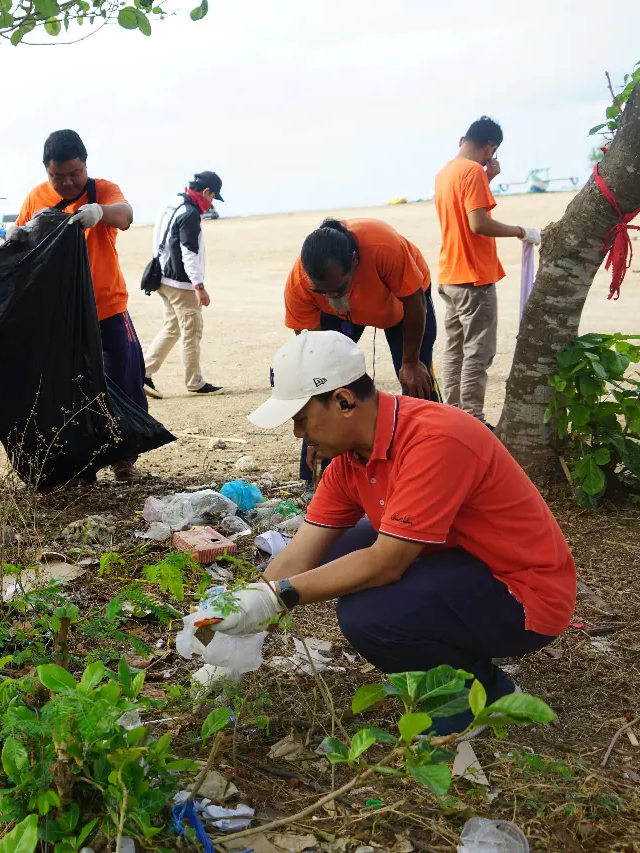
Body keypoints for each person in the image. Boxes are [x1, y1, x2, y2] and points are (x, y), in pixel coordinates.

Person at [199, 331, 575, 735]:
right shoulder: (349, 460)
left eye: (302, 418)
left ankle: (482, 698)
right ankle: (448, 652)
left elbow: (385, 564)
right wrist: (238, 630)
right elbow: (302, 553)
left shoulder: (436, 439)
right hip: (462, 564)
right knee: (337, 549)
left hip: (520, 596)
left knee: (371, 615)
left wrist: (276, 599)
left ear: (344, 401)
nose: (298, 434)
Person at [14, 129, 144, 482]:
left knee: (123, 380)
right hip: (63, 315)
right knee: (73, 389)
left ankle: (123, 459)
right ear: (46, 171)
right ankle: (83, 463)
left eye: (75, 174)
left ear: (86, 165)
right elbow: (23, 243)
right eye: (58, 176)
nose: (68, 183)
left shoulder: (102, 189)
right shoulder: (36, 198)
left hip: (108, 308)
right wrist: (14, 236)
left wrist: (100, 211)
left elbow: (126, 215)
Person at [284, 218, 438, 480]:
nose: (332, 297)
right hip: (338, 318)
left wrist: (411, 362)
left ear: (354, 261)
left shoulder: (383, 247)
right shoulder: (299, 286)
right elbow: (315, 360)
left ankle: (429, 465)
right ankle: (316, 479)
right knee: (322, 386)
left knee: (417, 385)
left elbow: (415, 304)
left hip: (404, 306)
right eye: (323, 292)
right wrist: (315, 436)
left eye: (338, 288)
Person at [434, 116, 541, 424]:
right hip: (473, 277)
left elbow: (462, 211)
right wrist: (521, 231)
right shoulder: (472, 172)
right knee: (478, 353)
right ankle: (472, 418)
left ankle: (453, 414)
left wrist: (488, 179)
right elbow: (478, 224)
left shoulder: (446, 172)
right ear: (490, 147)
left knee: (454, 350)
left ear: (462, 140)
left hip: (450, 274)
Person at [143, 171, 225, 399]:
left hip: (162, 276)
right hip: (180, 282)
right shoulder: (190, 213)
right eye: (213, 197)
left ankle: (143, 373)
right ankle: (195, 382)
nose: (210, 204)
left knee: (173, 327)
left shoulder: (173, 203)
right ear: (207, 191)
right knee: (192, 330)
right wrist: (199, 285)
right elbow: (189, 252)